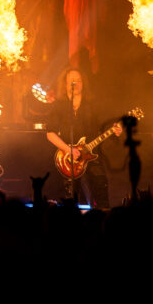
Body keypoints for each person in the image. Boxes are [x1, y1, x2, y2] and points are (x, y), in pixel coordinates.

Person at [45, 67, 121, 208]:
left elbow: (106, 124)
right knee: (70, 201)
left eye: (79, 80)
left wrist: (116, 129)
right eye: (72, 81)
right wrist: (68, 149)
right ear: (65, 84)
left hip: (93, 157)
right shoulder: (59, 106)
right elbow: (50, 133)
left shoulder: (93, 105)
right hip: (68, 160)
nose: (76, 83)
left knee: (101, 195)